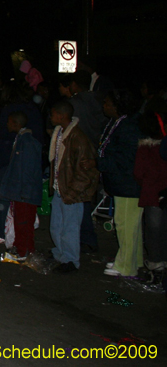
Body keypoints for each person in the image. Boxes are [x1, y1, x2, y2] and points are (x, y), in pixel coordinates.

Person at [82, 90, 143, 277]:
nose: (104, 106)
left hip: (128, 183)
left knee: (125, 225)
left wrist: (97, 163)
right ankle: (134, 260)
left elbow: (125, 159)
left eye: (107, 103)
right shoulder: (118, 123)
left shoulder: (129, 127)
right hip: (122, 182)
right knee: (131, 225)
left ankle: (126, 266)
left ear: (118, 106)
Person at [48, 100, 100, 273]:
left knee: (69, 227)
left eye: (53, 113)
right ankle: (60, 253)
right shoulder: (60, 133)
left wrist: (73, 191)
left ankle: (70, 260)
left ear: (62, 116)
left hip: (70, 189)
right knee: (57, 225)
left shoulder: (78, 137)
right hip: (60, 187)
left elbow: (87, 172)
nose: (51, 116)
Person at [68, 69, 108, 254]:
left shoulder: (75, 103)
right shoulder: (99, 100)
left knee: (78, 198)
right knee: (86, 196)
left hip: (80, 153)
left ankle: (86, 239)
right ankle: (86, 238)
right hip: (96, 150)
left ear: (74, 85)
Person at [0, 112, 43, 259]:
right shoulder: (22, 139)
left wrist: (24, 192)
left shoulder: (27, 142)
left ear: (16, 123)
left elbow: (28, 170)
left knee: (23, 222)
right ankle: (24, 249)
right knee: (22, 222)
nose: (7, 125)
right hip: (22, 189)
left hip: (24, 190)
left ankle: (23, 251)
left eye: (10, 122)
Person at [134, 99, 167, 275]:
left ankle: (155, 263)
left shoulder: (145, 148)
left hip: (152, 193)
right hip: (162, 192)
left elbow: (139, 172)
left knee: (153, 230)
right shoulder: (162, 146)